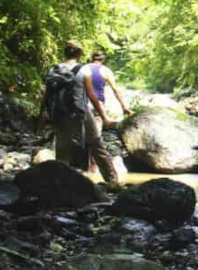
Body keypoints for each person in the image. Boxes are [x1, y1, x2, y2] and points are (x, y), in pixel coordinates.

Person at [38, 41, 121, 188]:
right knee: (96, 144)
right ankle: (112, 180)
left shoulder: (54, 70)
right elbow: (92, 96)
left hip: (59, 113)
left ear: (65, 52)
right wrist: (104, 117)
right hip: (80, 113)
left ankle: (60, 185)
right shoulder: (84, 70)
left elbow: (46, 96)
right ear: (79, 53)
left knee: (62, 150)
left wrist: (42, 115)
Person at [83, 51, 132, 175]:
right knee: (95, 136)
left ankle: (82, 166)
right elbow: (115, 90)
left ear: (91, 58)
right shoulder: (105, 71)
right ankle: (93, 167)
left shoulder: (83, 69)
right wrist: (124, 107)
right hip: (97, 105)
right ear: (103, 59)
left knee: (82, 134)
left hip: (82, 104)